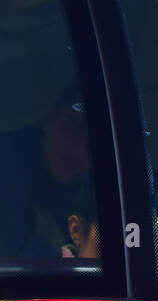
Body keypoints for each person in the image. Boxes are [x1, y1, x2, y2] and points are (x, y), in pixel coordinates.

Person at [0, 84, 92, 260]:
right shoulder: (7, 162)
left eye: (93, 146)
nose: (77, 151)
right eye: (71, 127)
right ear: (51, 117)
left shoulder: (85, 191)